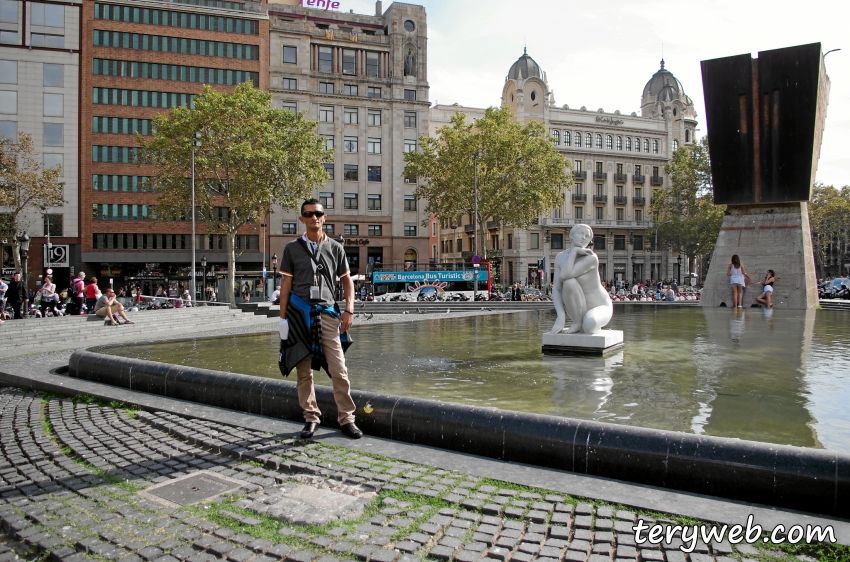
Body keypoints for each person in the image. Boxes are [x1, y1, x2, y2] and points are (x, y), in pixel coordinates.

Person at [277, 198, 362, 440]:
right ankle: (311, 418)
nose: (314, 217)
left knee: (339, 369)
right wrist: (282, 319)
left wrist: (349, 310)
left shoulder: (336, 247)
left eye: (318, 213)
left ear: (324, 217)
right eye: (309, 214)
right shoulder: (292, 249)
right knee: (304, 372)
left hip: (327, 315)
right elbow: (286, 285)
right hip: (299, 315)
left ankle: (347, 418)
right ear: (302, 219)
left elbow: (347, 281)